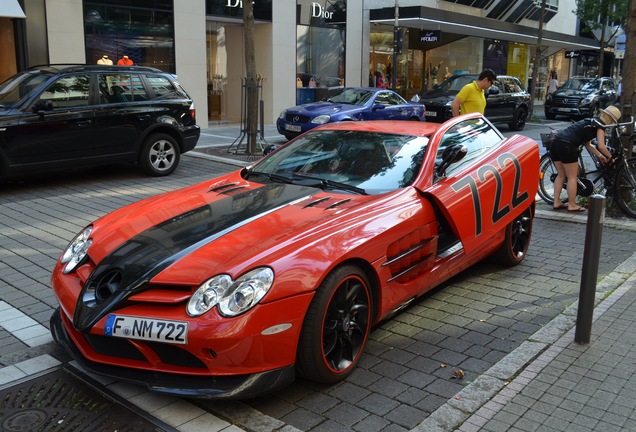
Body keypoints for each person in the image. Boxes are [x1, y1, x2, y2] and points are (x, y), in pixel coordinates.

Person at [549, 105, 621, 212]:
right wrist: (610, 157)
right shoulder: (601, 125)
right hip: (568, 145)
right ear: (610, 119)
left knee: (561, 175)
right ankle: (572, 204)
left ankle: (556, 202)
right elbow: (601, 146)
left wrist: (600, 156)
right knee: (572, 177)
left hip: (556, 142)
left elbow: (588, 144)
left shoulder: (590, 121)